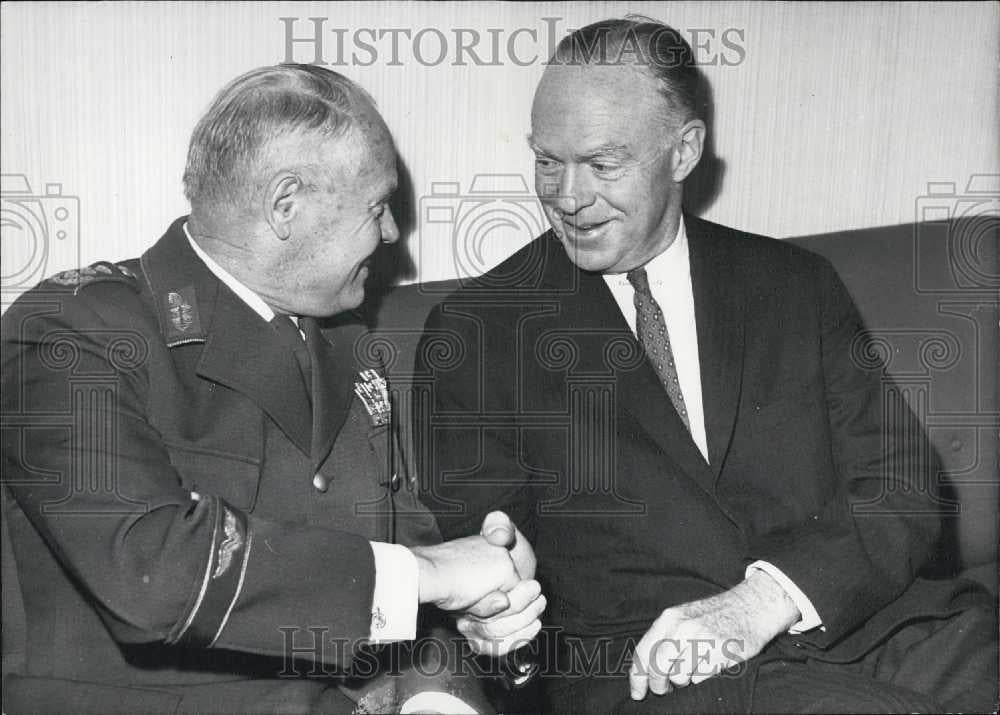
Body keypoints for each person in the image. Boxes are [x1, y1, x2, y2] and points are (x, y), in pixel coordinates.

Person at [417, 18, 996, 714]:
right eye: (547, 161)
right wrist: (493, 612)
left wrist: (765, 600)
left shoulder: (794, 283)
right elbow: (488, 563)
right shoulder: (477, 333)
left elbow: (901, 486)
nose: (567, 197)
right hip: (659, 672)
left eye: (602, 164)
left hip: (860, 620)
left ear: (684, 151)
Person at [0, 64, 545, 715]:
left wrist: (470, 634)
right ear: (286, 206)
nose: (392, 235)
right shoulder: (71, 333)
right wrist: (435, 576)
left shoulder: (345, 343)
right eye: (377, 207)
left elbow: (409, 582)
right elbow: (154, 572)